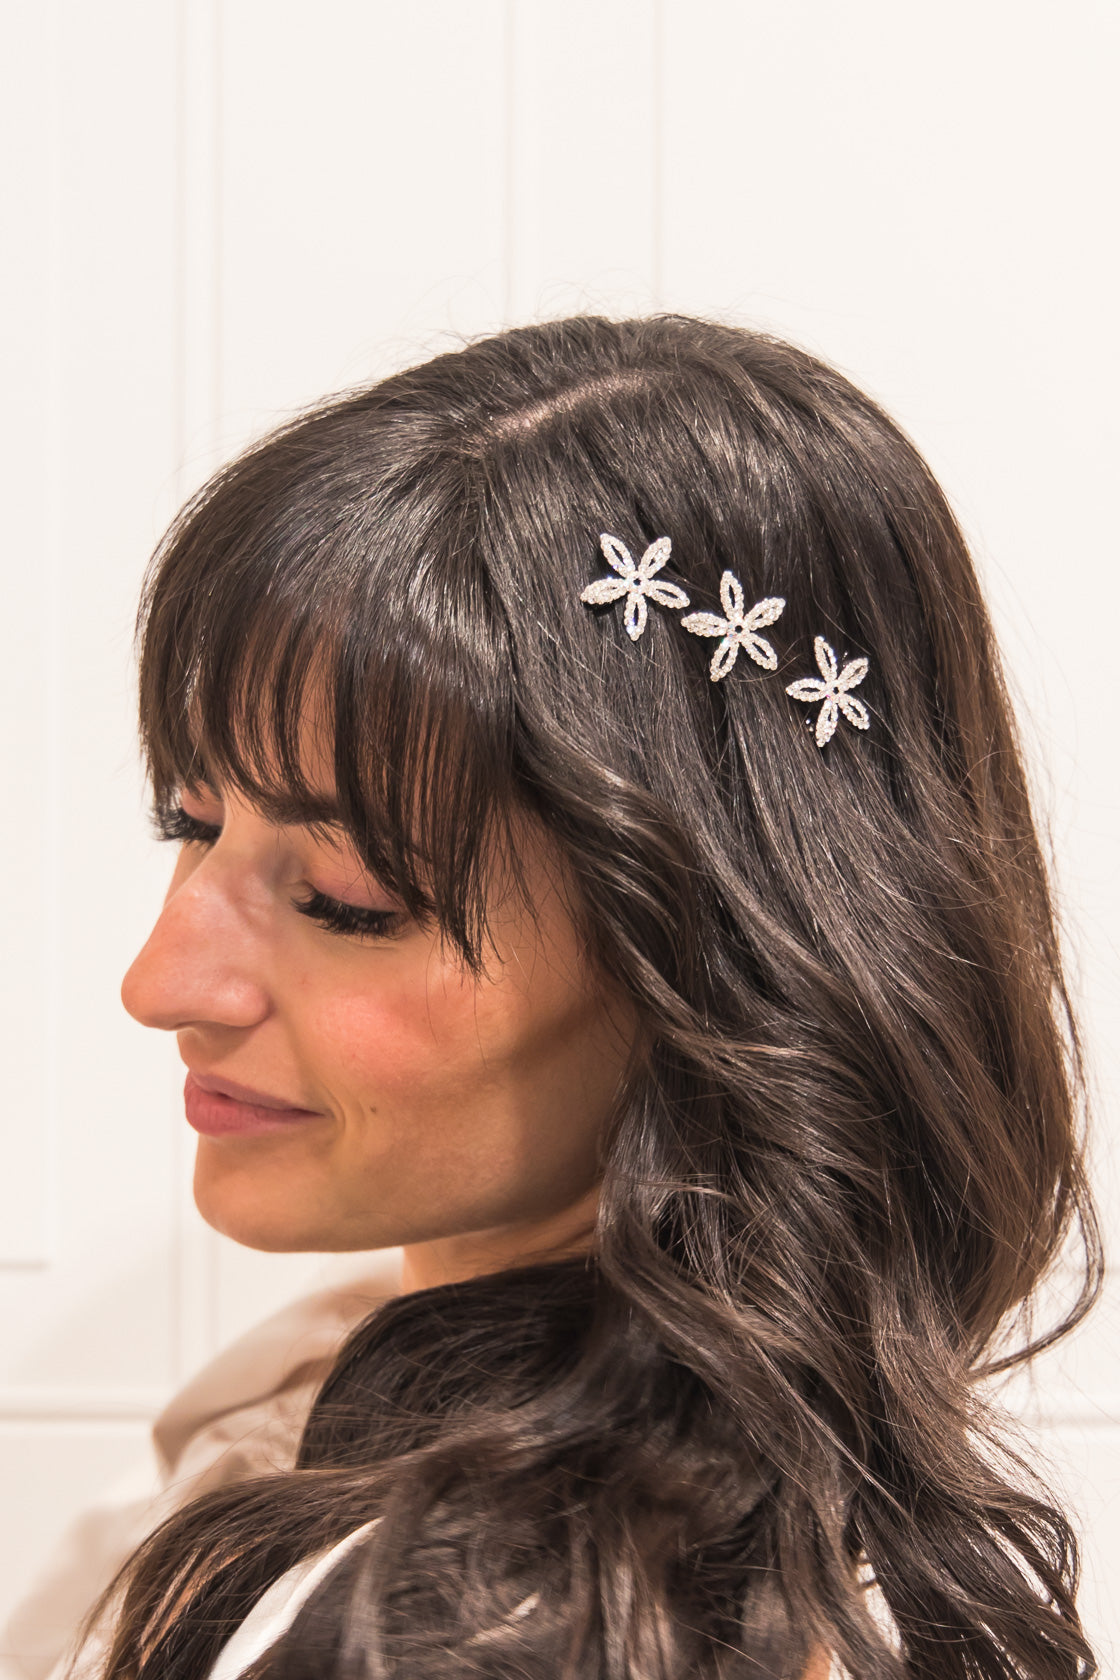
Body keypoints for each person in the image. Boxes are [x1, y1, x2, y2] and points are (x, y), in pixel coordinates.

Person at [31, 313, 1103, 1678]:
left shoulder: (485, 1638)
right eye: (191, 824)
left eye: (348, 899)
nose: (159, 982)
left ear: (723, 969)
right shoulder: (368, 1427)